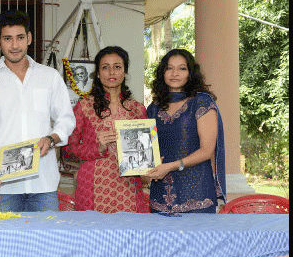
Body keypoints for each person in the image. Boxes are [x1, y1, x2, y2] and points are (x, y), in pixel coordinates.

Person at [0, 9, 75, 212]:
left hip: (43, 185)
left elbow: (66, 118)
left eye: (20, 37)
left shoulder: (50, 77)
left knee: (47, 243)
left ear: (29, 38)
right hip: (3, 185)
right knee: (3, 244)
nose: (14, 45)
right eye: (7, 38)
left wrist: (52, 138)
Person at [62, 46, 148, 213]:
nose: (111, 72)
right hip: (93, 184)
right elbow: (67, 149)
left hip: (128, 185)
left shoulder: (137, 109)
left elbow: (144, 157)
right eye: (105, 67)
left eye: (117, 67)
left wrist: (148, 165)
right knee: (94, 235)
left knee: (129, 234)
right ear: (98, 73)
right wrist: (97, 148)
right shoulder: (84, 106)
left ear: (125, 71)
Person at [143, 48, 226, 214]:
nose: (175, 73)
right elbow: (148, 151)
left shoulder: (201, 102)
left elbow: (206, 151)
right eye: (169, 68)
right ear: (162, 72)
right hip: (160, 196)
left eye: (182, 68)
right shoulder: (153, 108)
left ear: (190, 73)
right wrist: (146, 170)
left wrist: (171, 166)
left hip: (197, 195)